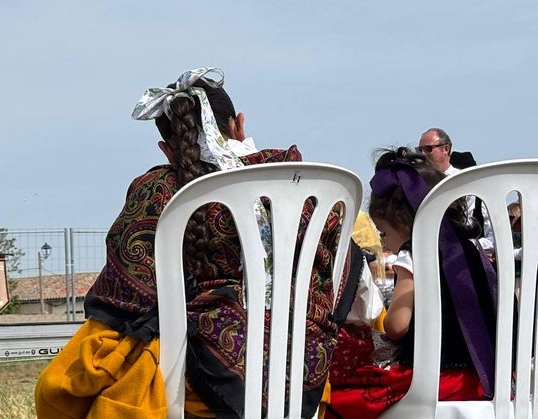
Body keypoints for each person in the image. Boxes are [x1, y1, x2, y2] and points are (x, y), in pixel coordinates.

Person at [35, 68, 345, 418]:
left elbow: (126, 297)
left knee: (71, 375)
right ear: (240, 125)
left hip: (207, 382)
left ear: (167, 149)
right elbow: (344, 278)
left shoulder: (160, 190)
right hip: (305, 374)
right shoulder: (300, 182)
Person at [324, 148, 496, 418]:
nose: (383, 242)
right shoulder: (471, 253)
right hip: (488, 378)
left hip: (438, 381)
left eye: (383, 232)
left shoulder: (413, 252)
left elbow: (396, 326)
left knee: (342, 396)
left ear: (404, 224)